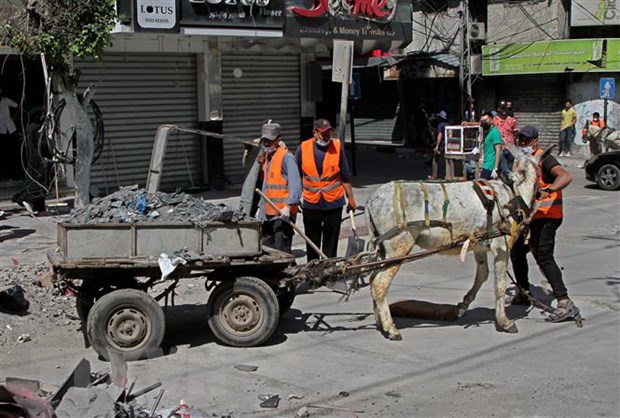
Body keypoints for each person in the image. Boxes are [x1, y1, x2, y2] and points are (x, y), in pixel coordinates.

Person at [510, 125, 579, 322]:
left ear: (535, 141)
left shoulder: (544, 158)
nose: (522, 143)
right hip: (529, 218)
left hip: (548, 216)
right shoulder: (522, 160)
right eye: (520, 140)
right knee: (516, 252)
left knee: (544, 257)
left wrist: (548, 190)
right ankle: (523, 291)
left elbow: (566, 176)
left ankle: (564, 302)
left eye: (526, 140)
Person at [295, 119, 356, 261]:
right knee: (312, 241)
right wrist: (293, 199)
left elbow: (345, 176)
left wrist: (351, 198)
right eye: (323, 133)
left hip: (333, 203)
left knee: (331, 241)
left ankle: (329, 270)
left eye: (329, 132)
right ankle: (313, 270)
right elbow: (295, 176)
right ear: (315, 133)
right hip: (311, 203)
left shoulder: (337, 147)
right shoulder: (303, 148)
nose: (327, 135)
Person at [256, 120, 301, 254]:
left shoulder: (287, 157)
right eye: (264, 141)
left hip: (282, 215)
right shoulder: (268, 157)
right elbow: (266, 186)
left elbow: (296, 186)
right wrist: (261, 207)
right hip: (268, 215)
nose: (266, 144)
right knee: (267, 251)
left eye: (269, 141)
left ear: (278, 140)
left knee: (282, 252)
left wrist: (288, 207)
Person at [0, 86, 20, 180]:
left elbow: (18, 106)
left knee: (14, 152)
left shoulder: (5, 100)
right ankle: (5, 175)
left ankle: (16, 175)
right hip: (1, 130)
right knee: (4, 153)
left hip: (11, 129)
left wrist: (14, 117)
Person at [493, 100, 518, 172]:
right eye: (502, 108)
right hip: (500, 149)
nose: (504, 110)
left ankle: (508, 183)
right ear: (498, 109)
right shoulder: (494, 120)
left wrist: (516, 149)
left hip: (511, 149)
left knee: (509, 171)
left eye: (505, 108)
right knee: (503, 170)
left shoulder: (512, 121)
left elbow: (515, 135)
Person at [479, 111, 502, 180]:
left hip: (490, 166)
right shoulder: (488, 132)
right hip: (486, 164)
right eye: (482, 121)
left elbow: (498, 150)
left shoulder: (495, 133)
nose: (483, 122)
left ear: (492, 120)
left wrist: (496, 168)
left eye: (485, 120)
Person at [429, 110, 449, 179]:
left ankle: (434, 175)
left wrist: (437, 146)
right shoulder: (447, 124)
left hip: (441, 145)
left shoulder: (440, 125)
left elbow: (439, 135)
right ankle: (448, 175)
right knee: (447, 160)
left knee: (435, 159)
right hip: (447, 145)